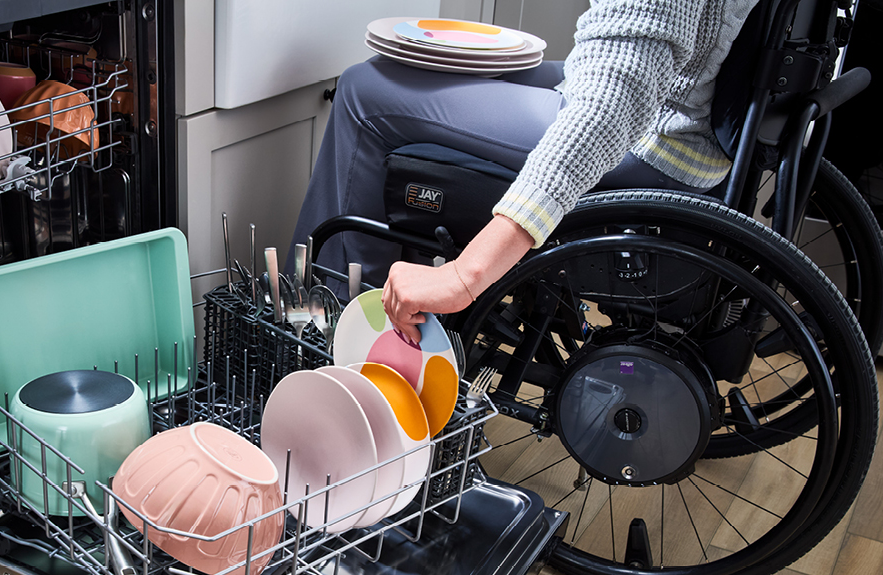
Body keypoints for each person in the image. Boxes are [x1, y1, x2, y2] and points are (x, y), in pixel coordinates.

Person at [288, 0, 761, 341]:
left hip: (648, 140)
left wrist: (465, 275)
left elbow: (610, 106)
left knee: (363, 91)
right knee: (402, 71)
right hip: (679, 116)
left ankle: (330, 331)